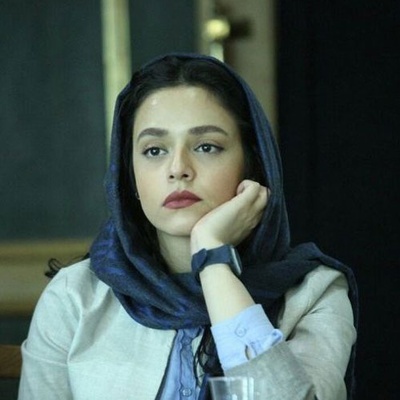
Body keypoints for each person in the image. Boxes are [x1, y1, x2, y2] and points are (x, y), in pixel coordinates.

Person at [18, 53, 358, 400]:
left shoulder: (313, 293)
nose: (178, 168)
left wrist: (213, 258)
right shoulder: (74, 298)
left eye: (206, 147)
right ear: (129, 175)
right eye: (154, 150)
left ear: (252, 165)